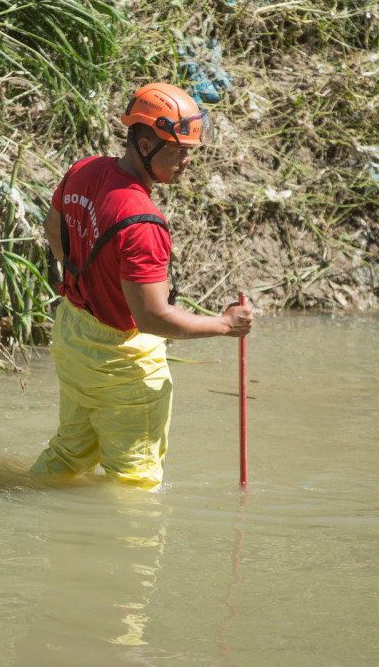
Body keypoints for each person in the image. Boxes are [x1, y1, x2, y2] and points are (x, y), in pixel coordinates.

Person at [30, 82, 254, 489]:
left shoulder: (84, 170)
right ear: (146, 143)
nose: (188, 161)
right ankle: (129, 552)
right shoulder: (142, 223)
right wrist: (226, 324)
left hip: (72, 335)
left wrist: (88, 278)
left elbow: (53, 229)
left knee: (68, 453)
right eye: (179, 150)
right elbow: (151, 318)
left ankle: (24, 515)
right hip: (122, 363)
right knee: (136, 483)